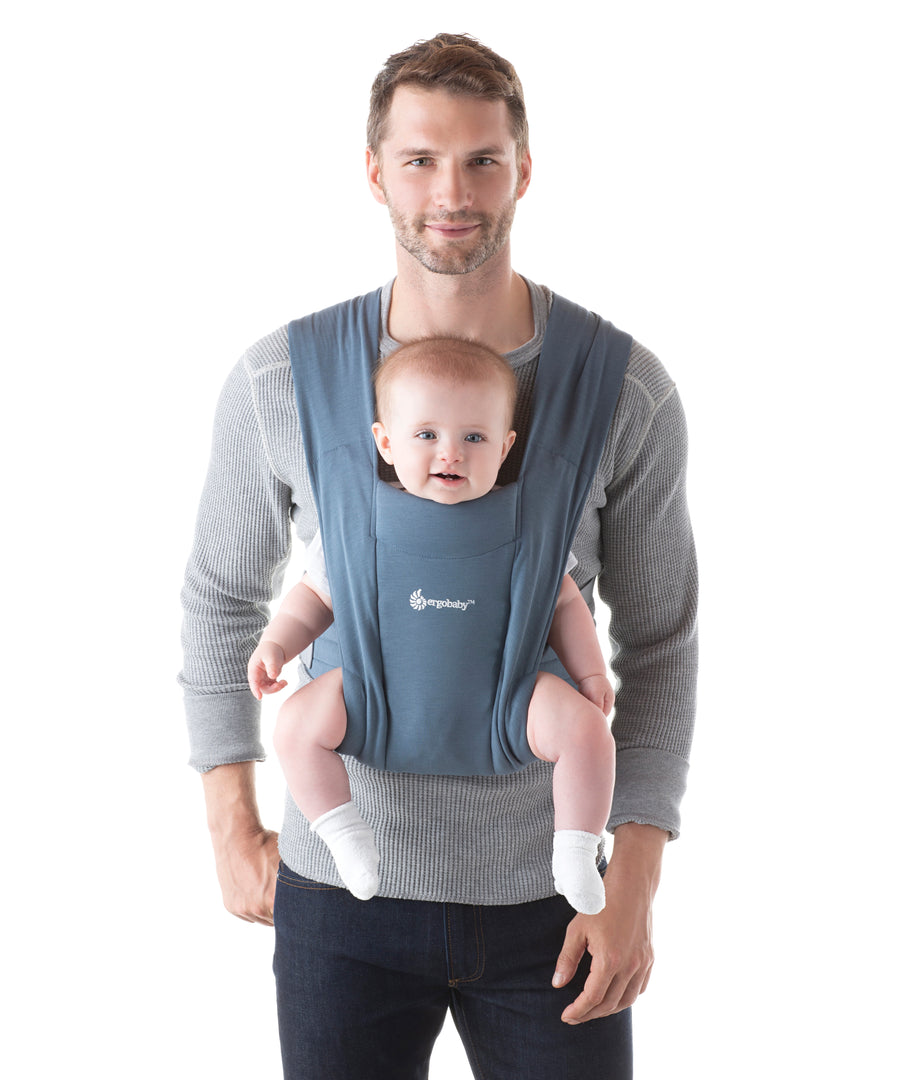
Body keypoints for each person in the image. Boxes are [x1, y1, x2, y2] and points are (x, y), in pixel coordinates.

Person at [180, 32, 697, 1080]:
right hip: (341, 906)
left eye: (481, 159)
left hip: (552, 909)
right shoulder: (282, 379)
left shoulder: (624, 389)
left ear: (525, 169)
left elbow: (663, 641)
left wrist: (631, 878)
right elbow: (223, 598)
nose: (450, 192)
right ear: (375, 172)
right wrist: (232, 824)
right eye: (419, 159)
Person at [247, 336, 616, 913]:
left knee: (589, 732)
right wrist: (275, 644)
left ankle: (574, 847)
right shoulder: (356, 528)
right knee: (296, 725)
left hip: (508, 703)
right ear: (385, 442)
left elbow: (564, 604)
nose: (451, 453)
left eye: (475, 437)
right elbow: (312, 600)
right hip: (374, 700)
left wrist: (591, 673)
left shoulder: (525, 525)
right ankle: (345, 835)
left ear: (505, 446)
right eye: (427, 435)